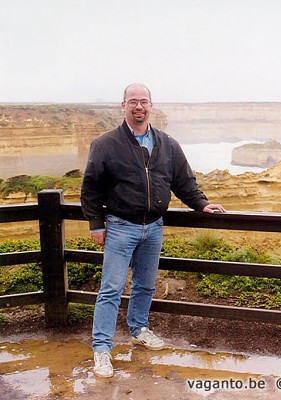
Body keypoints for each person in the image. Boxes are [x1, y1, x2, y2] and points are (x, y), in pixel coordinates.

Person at [81, 83, 225, 378]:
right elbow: (91, 187)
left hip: (154, 228)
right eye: (133, 101)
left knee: (146, 285)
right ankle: (102, 349)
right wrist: (96, 223)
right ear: (123, 105)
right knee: (111, 289)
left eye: (143, 102)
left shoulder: (167, 144)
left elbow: (184, 181)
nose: (139, 107)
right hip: (120, 227)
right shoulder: (106, 144)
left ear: (151, 105)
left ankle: (139, 329)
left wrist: (202, 205)